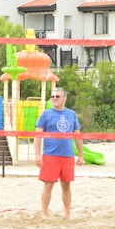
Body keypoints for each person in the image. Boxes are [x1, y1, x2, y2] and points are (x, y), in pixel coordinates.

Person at [33, 87, 84, 219]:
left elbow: (78, 136)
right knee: (48, 184)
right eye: (53, 96)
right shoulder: (46, 114)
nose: (54, 98)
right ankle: (45, 213)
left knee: (66, 185)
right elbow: (37, 136)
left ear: (64, 98)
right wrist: (37, 154)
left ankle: (67, 213)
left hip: (67, 156)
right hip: (50, 155)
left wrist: (81, 156)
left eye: (57, 96)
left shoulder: (71, 114)